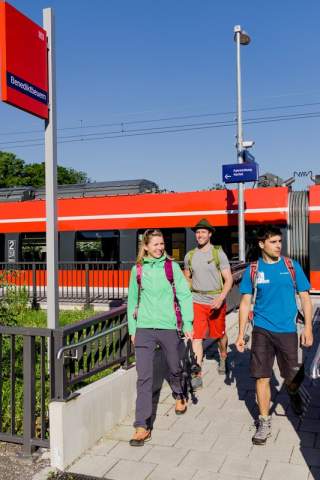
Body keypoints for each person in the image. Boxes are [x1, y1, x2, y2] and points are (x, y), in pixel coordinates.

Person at [235, 225, 313, 446]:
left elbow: (306, 298)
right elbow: (244, 302)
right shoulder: (254, 269)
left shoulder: (291, 266)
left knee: (292, 377)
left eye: (280, 241)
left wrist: (307, 328)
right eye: (273, 242)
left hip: (288, 330)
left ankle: (293, 391)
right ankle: (264, 421)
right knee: (262, 377)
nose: (279, 245)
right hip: (261, 330)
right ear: (261, 244)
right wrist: (241, 334)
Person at [127, 229, 193, 447]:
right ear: (145, 246)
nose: (160, 248)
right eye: (155, 244)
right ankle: (142, 425)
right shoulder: (137, 270)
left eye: (162, 244)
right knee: (143, 377)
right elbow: (132, 301)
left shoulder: (172, 267)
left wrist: (188, 323)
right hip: (144, 328)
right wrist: (133, 329)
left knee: (175, 366)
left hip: (169, 326)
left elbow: (183, 294)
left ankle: (179, 393)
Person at [184, 218, 233, 386]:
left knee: (219, 335)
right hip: (197, 301)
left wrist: (220, 298)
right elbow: (187, 279)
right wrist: (185, 298)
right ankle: (197, 372)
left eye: (203, 232)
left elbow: (229, 280)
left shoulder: (218, 254)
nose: (200, 235)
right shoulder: (189, 256)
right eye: (197, 232)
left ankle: (223, 355)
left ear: (210, 234)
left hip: (216, 301)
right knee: (197, 337)